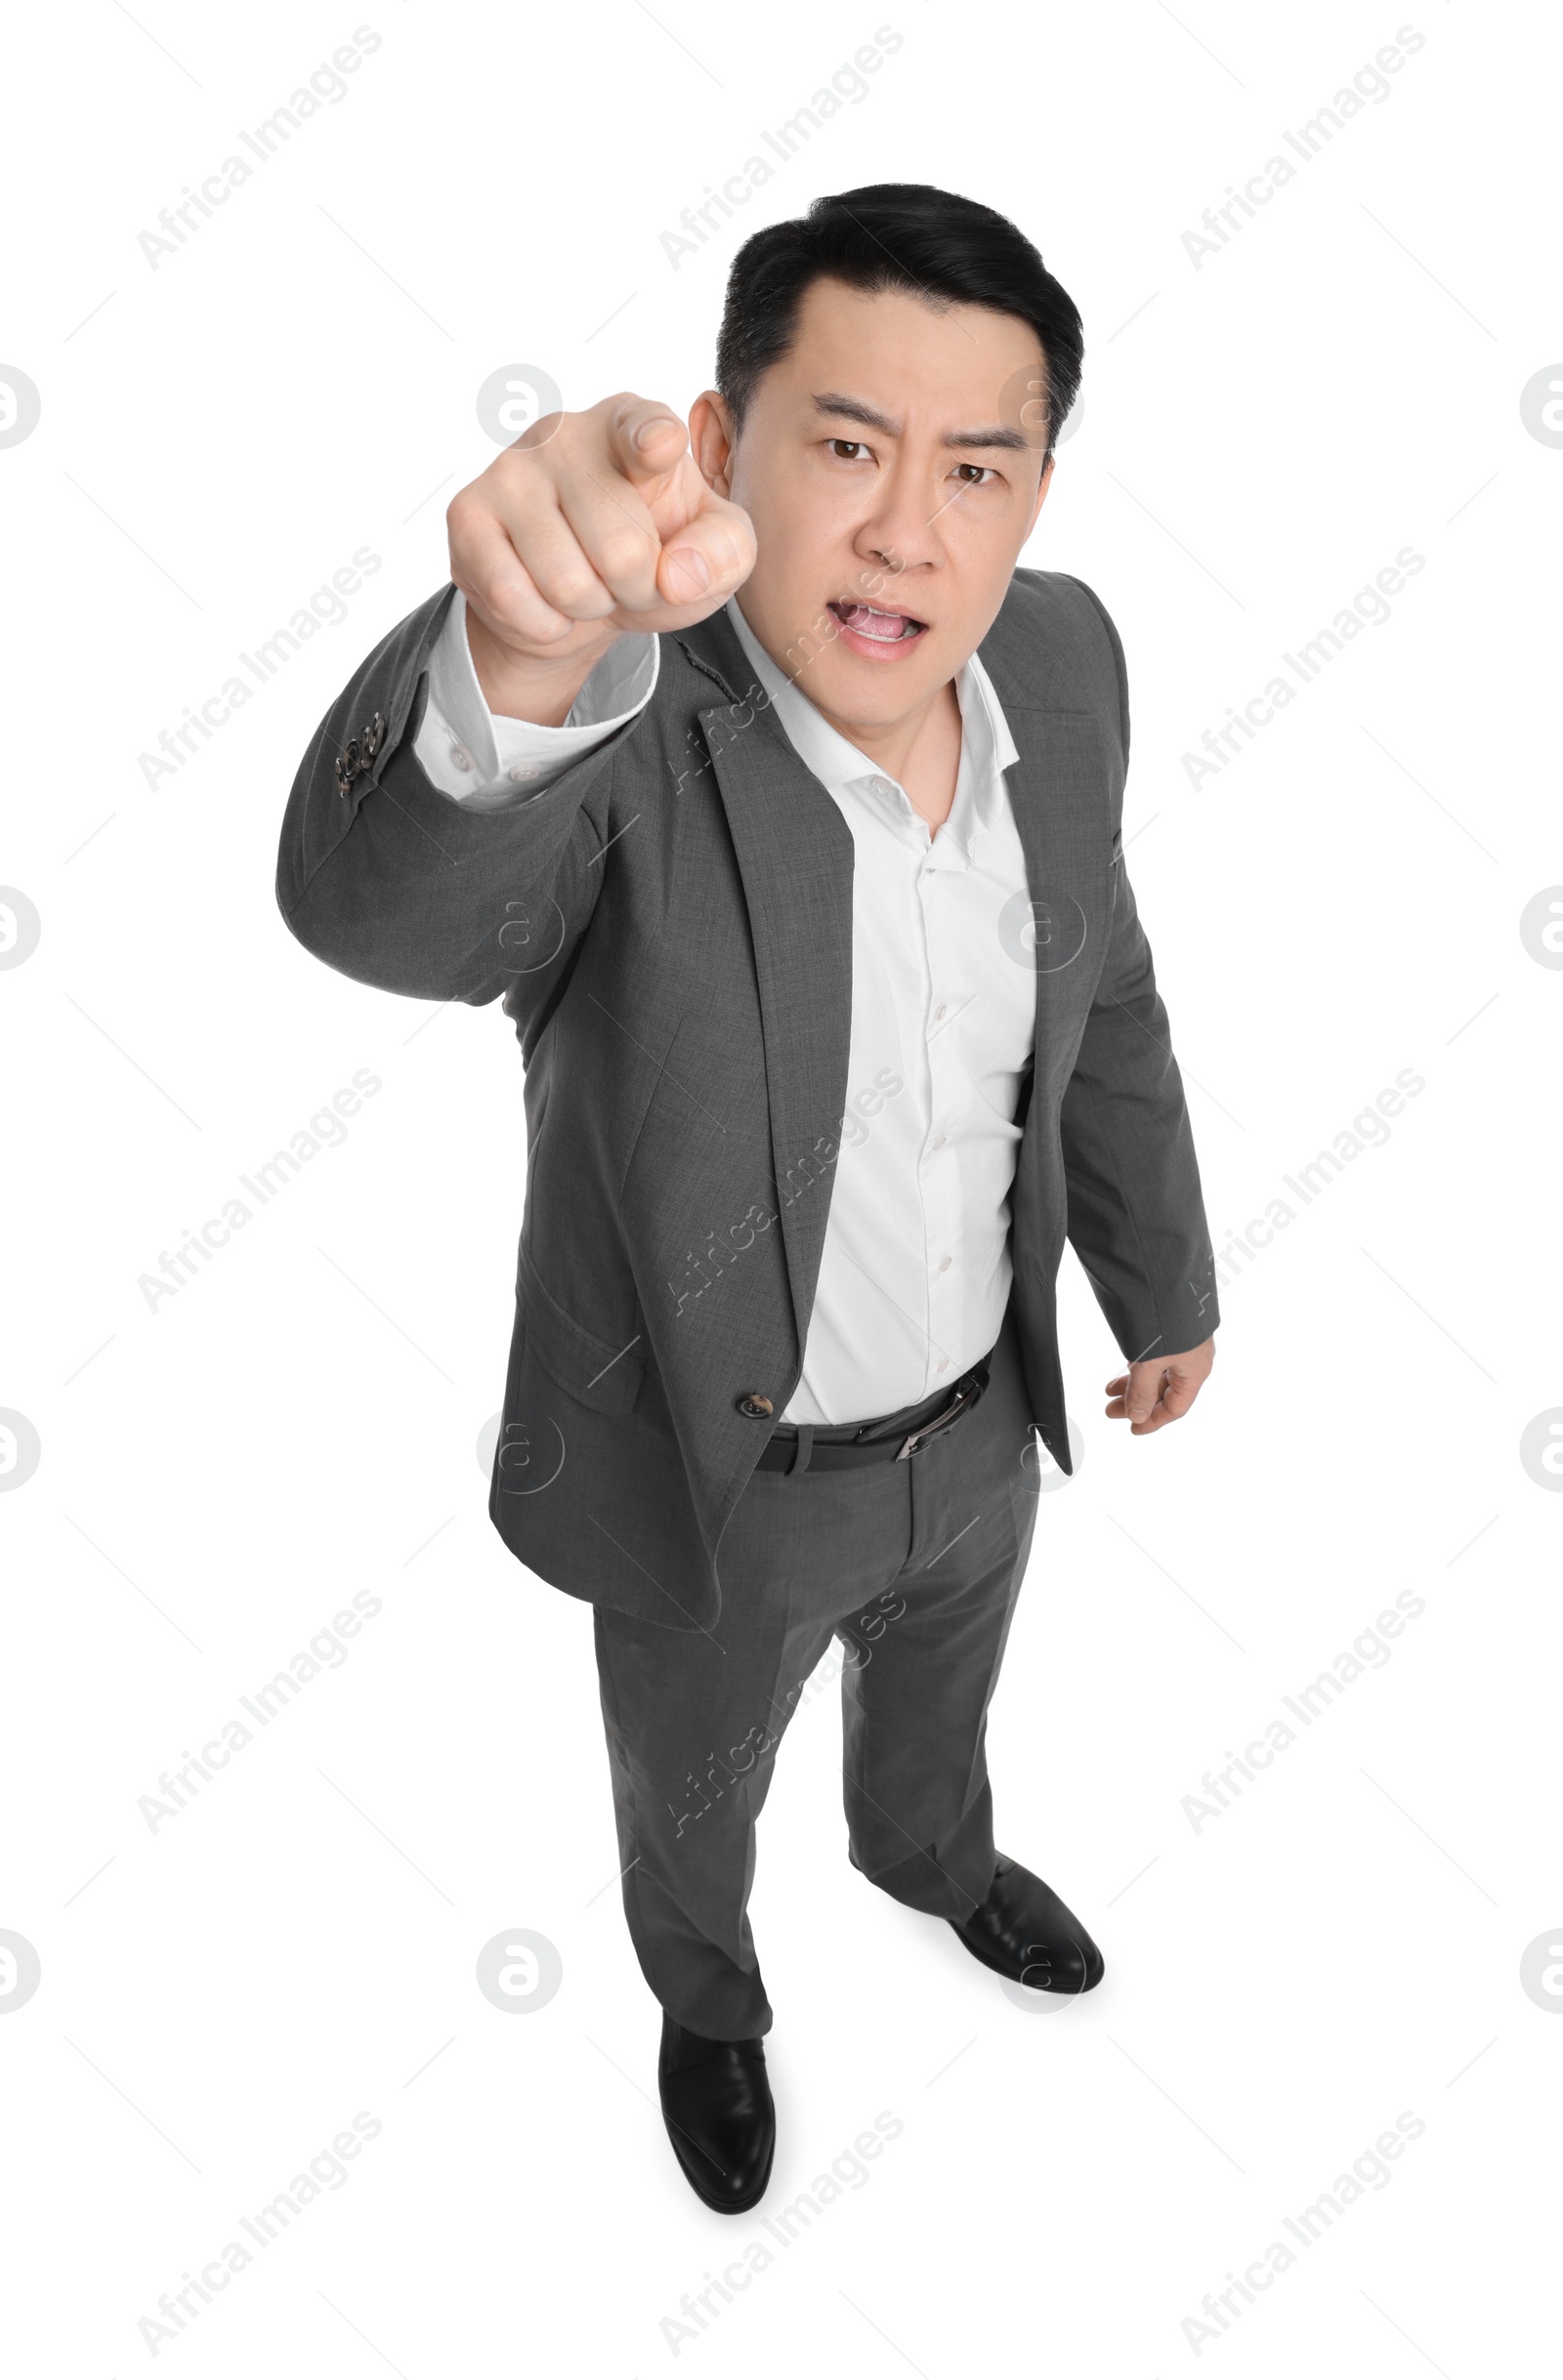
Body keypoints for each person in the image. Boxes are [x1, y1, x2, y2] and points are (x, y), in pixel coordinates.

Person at [276, 183, 1218, 2213]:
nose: (908, 530)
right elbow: (381, 909)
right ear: (721, 451)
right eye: (845, 446)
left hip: (977, 1430)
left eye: (976, 467)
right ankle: (705, 2000)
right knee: (690, 1803)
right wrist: (515, 660)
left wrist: (1164, 1284)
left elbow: (1107, 987)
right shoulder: (624, 717)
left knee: (940, 1713)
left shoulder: (1060, 665)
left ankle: (930, 1862)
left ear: (1036, 485)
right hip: (721, 1483)